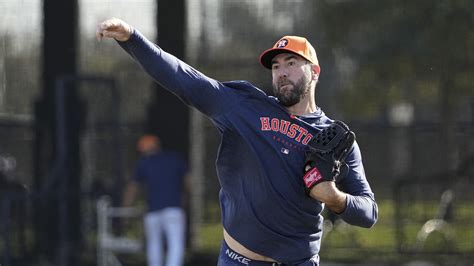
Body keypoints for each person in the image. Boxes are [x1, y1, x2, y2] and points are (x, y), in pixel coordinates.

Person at [97, 18, 378, 266]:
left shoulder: (335, 139)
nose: (281, 72)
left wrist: (335, 199)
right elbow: (186, 80)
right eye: (276, 65)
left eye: (292, 63)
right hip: (239, 260)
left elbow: (369, 212)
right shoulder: (244, 108)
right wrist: (132, 37)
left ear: (314, 71)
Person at [123, 134, 189, 266]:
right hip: (173, 209)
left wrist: (126, 208)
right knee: (176, 244)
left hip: (153, 211)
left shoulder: (144, 163)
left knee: (154, 246)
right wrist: (186, 198)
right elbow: (189, 181)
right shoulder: (174, 158)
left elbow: (133, 187)